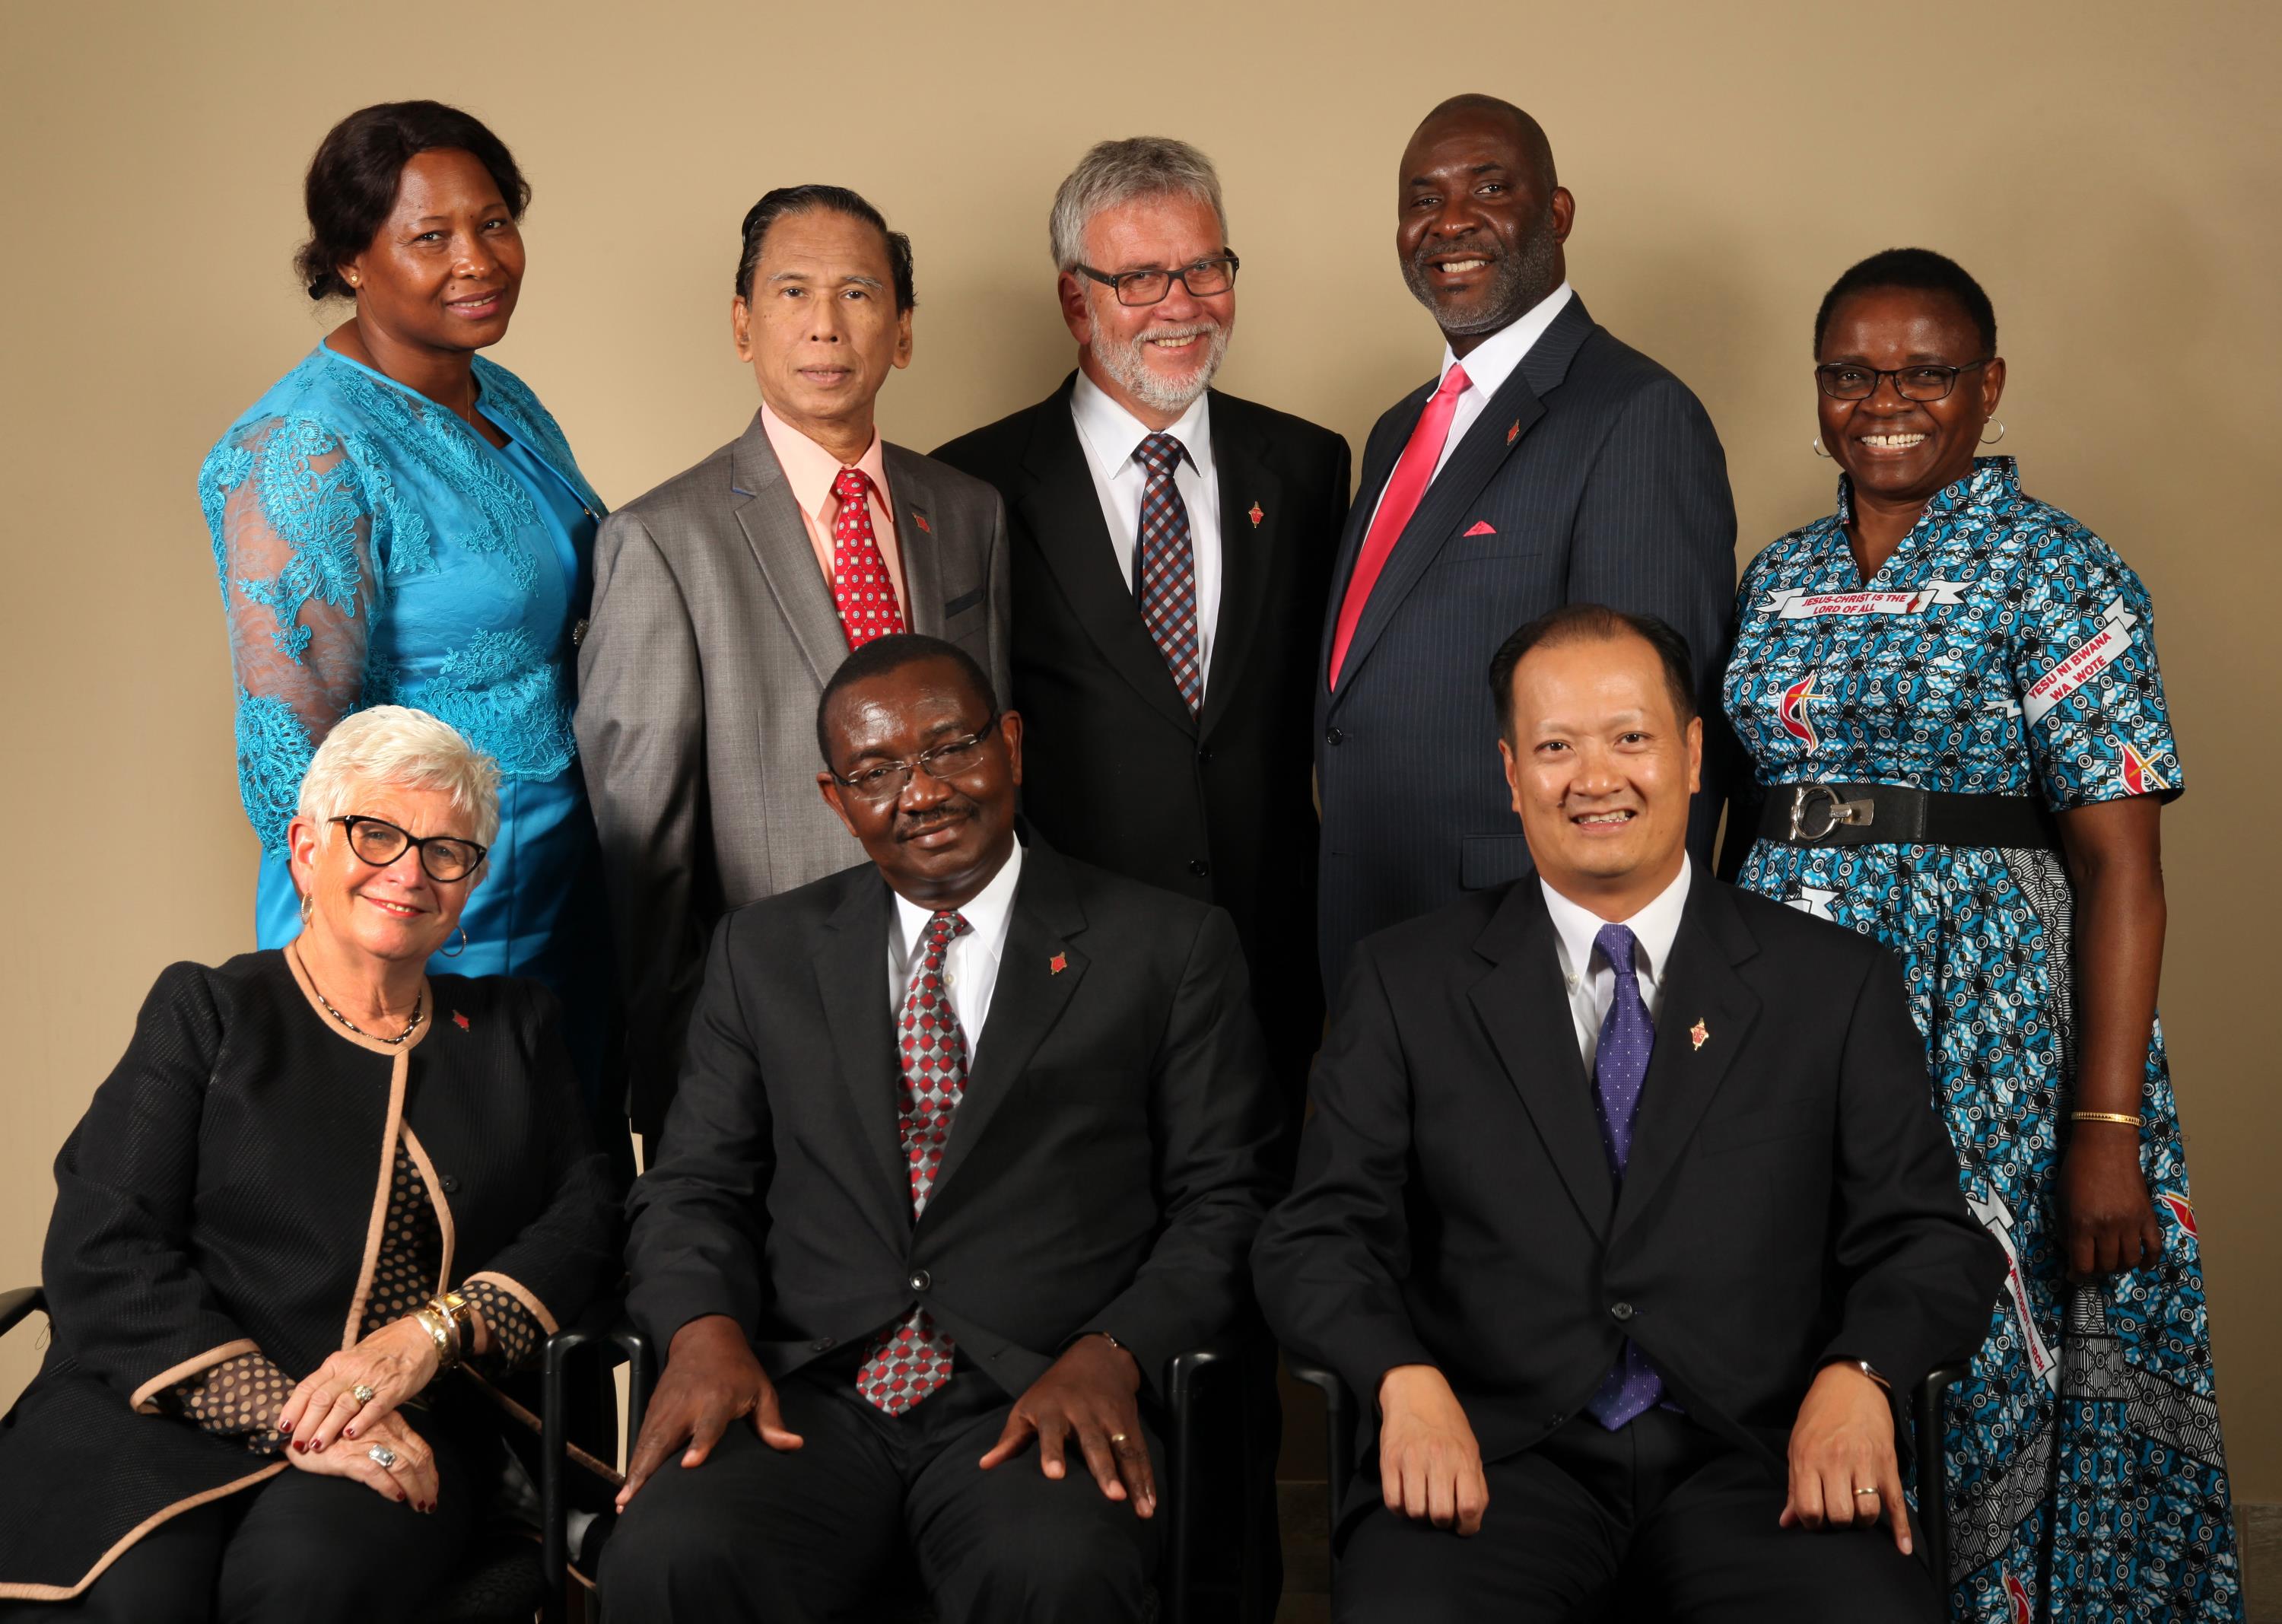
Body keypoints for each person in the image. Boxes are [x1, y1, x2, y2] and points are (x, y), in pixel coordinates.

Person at [1254, 606, 2004, 1622]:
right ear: (1512, 774)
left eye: (1631, 738)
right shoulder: (1405, 979)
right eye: (1556, 746)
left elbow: (1928, 1240)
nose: (1595, 778)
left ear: (1694, 754)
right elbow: (1316, 1234)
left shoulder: (1833, 982)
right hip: (1492, 1455)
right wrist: (1399, 1374)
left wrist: (1861, 1372)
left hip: (1760, 1459)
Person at [1721, 249, 2244, 1621]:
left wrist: (2105, 1129)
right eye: (1852, 372)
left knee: (1982, 1344)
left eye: (1926, 372)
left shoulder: (2063, 571)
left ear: (1987, 386)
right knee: (1802, 1320)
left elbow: (2125, 868)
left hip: (1992, 1029)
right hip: (1787, 1008)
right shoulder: (1775, 575)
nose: (1885, 400)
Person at [597, 634, 1282, 1622]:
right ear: (836, 800)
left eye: (950, 747)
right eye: (876, 771)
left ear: (1009, 743)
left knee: (1059, 1569)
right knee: (668, 1552)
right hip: (809, 1392)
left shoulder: (1166, 946)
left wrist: (1116, 1349)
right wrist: (702, 1333)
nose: (920, 792)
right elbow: (693, 1182)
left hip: (1039, 1387)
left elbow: (1229, 1196)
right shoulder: (763, 951)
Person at [0, 708, 618, 1619]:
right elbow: (105, 1241)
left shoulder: (514, 1028)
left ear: (471, 883)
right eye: (376, 833)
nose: (409, 870)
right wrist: (281, 1409)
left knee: (297, 1584)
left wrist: (433, 1333)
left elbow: (591, 1209)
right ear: (305, 848)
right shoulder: (207, 1009)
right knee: (138, 1597)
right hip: (166, 1401)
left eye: (447, 850)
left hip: (402, 1423)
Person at [197, 101, 617, 1126]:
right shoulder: (300, 449)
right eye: (431, 236)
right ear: (352, 257)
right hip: (430, 912)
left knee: (568, 1216)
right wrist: (386, 953)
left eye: (494, 223)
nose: (478, 259)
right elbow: (287, 768)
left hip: (567, 881)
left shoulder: (500, 392)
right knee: (436, 1201)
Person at [577, 186, 1011, 1142]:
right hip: (773, 1027)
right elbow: (645, 863)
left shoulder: (969, 511)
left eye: (859, 294)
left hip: (974, 995)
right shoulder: (660, 540)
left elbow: (999, 763)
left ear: (901, 331)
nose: (825, 325)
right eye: (792, 293)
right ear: (742, 324)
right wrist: (689, 1088)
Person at [933, 136, 1351, 1110]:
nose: (1183, 302)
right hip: (1065, 967)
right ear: (1077, 301)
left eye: (1205, 266)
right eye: (1141, 278)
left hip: (1273, 966)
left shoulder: (1308, 466)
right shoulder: (973, 486)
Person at [1314, 94, 1736, 995]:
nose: (1451, 220)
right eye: (1422, 198)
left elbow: (1651, 749)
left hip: (1532, 951)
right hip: (1377, 927)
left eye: (1490, 187)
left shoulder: (1636, 416)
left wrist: (1626, 986)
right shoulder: (1398, 431)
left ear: (1557, 213)